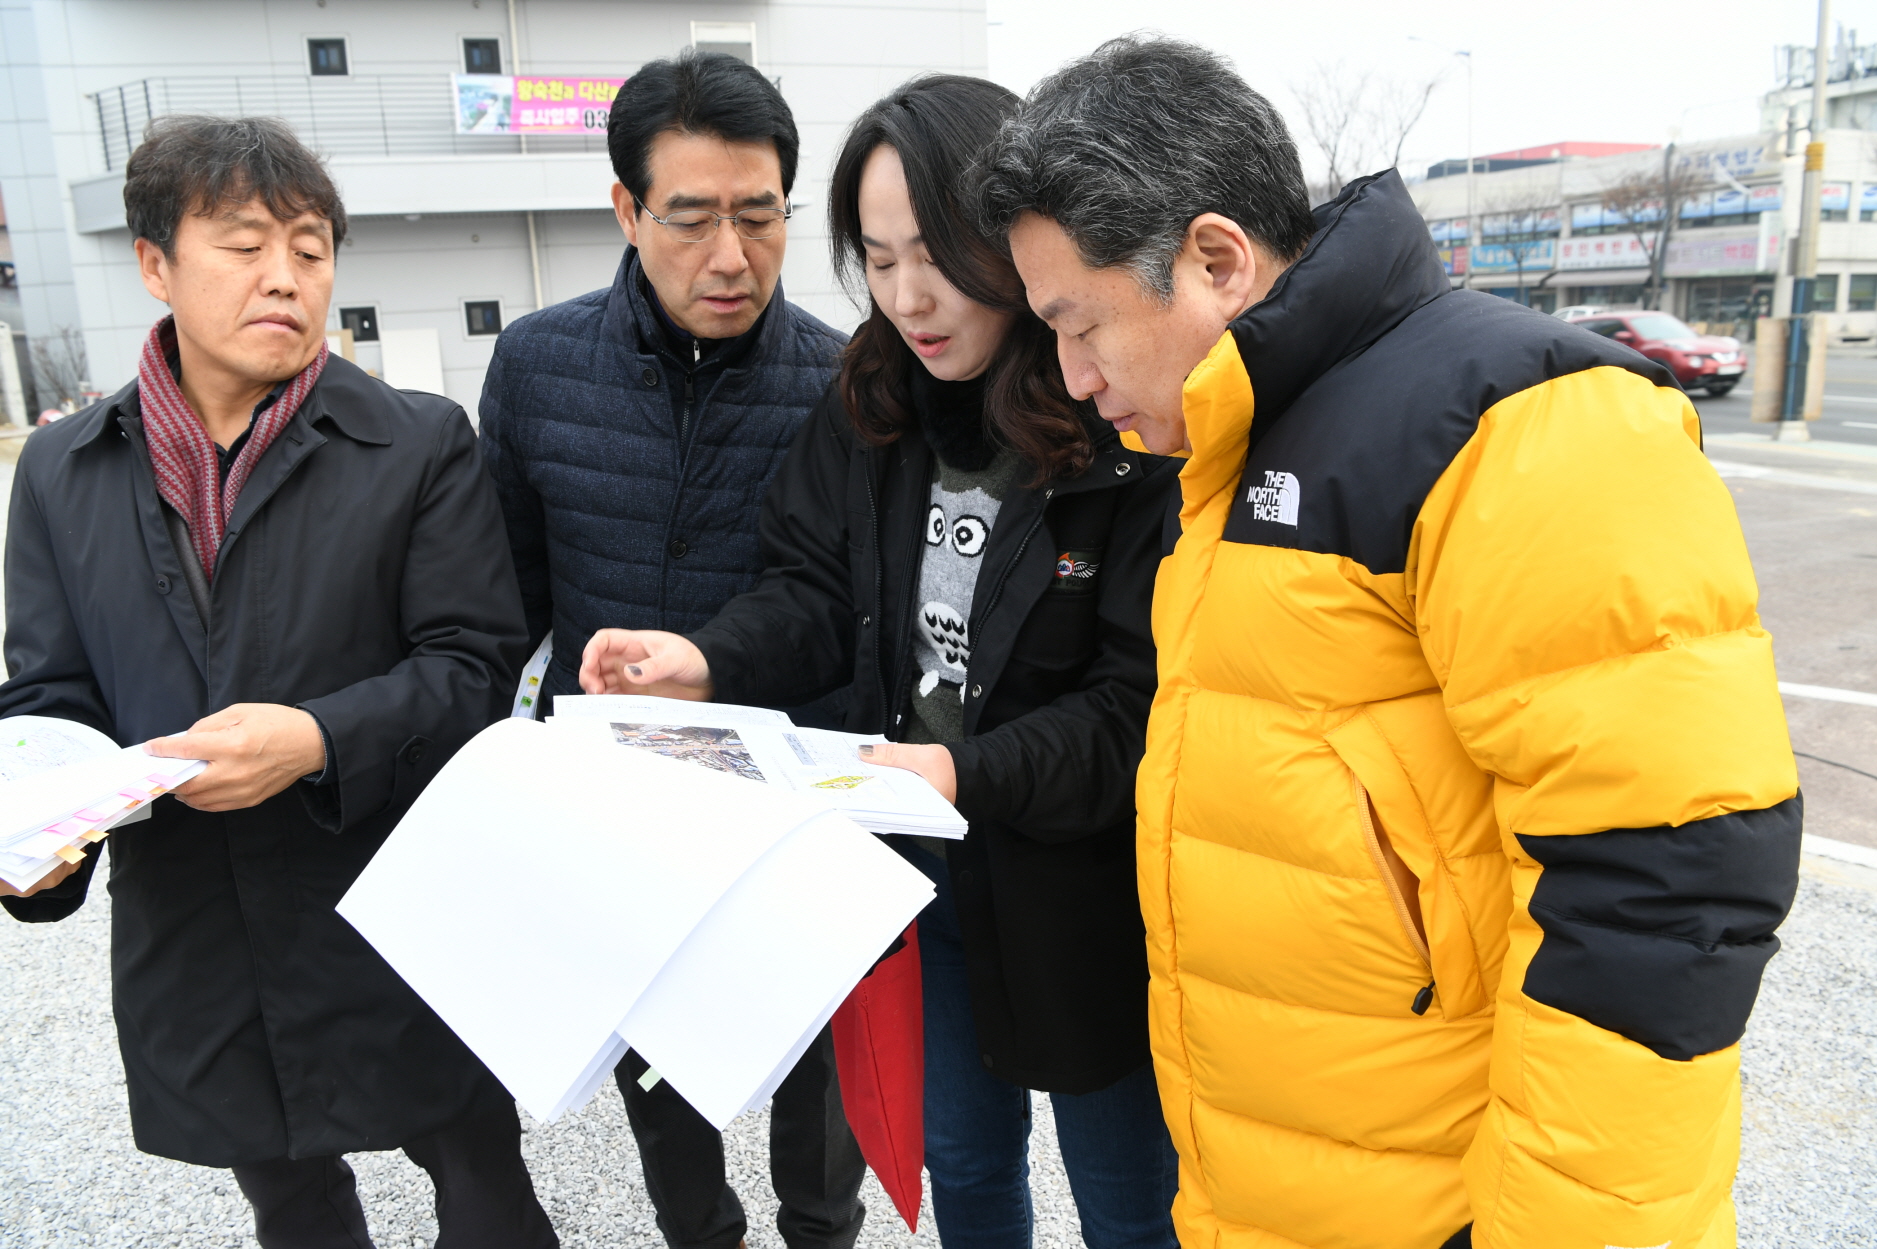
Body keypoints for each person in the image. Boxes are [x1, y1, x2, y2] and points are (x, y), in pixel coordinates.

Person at [977, 36, 1802, 1249]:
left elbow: (1662, 884)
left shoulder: (1518, 422)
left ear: (1214, 258)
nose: (1073, 375)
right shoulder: (1225, 451)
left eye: (1078, 323)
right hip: (1285, 1188)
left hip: (1448, 1205)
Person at [578, 75, 1184, 1249]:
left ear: (1012, 238)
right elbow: (814, 592)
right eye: (878, 256)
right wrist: (698, 659)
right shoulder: (872, 395)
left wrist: (965, 774)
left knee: (1124, 1188)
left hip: (1078, 884)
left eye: (939, 255)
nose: (909, 296)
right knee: (958, 1154)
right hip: (912, 866)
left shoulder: (1112, 422)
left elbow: (1132, 706)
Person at [0, 117, 554, 1249]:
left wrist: (313, 737)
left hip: (396, 900)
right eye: (243, 243)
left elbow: (473, 667)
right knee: (291, 1203)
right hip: (196, 920)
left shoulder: (416, 443)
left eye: (309, 247)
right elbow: (46, 692)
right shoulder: (63, 469)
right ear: (154, 263)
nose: (284, 276)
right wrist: (37, 834)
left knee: (485, 1191)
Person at [477, 50, 864, 1249]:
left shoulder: (847, 378)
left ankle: (819, 1230)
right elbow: (503, 608)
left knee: (817, 1076)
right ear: (626, 210)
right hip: (621, 807)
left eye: (759, 216)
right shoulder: (538, 365)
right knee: (660, 1074)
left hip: (797, 806)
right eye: (690, 218)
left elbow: (846, 603)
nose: (730, 255)